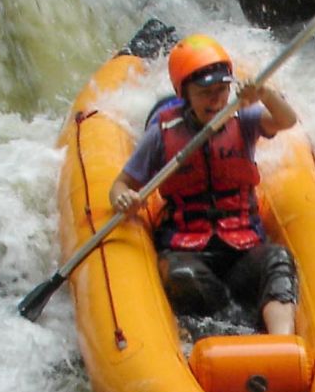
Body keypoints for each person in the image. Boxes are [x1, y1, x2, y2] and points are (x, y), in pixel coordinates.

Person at [109, 34, 300, 333]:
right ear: (184, 93)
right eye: (205, 92)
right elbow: (122, 184)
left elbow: (287, 120)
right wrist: (122, 199)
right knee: (182, 276)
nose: (216, 100)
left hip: (242, 247)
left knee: (278, 259)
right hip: (187, 247)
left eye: (222, 90)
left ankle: (283, 342)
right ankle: (230, 326)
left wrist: (264, 94)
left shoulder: (244, 120)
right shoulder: (162, 133)